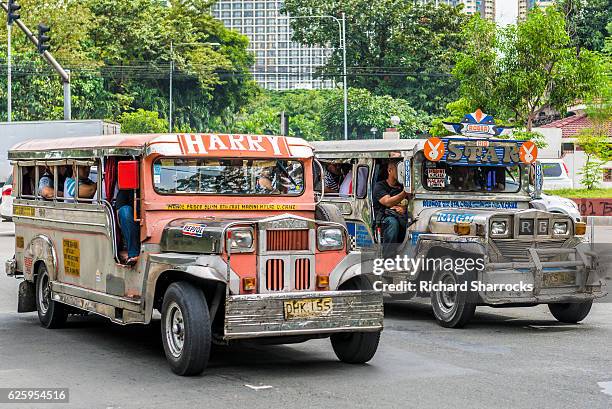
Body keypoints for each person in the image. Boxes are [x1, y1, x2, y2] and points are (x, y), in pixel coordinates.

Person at [373, 161, 409, 256]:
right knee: (392, 223)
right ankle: (388, 257)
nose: (402, 173)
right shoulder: (380, 186)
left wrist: (404, 208)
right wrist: (405, 192)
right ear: (390, 171)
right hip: (385, 218)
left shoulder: (401, 187)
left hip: (402, 217)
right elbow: (388, 202)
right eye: (399, 169)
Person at [115, 189, 139, 266]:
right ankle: (133, 254)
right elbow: (120, 219)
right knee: (125, 211)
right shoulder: (127, 190)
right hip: (132, 227)